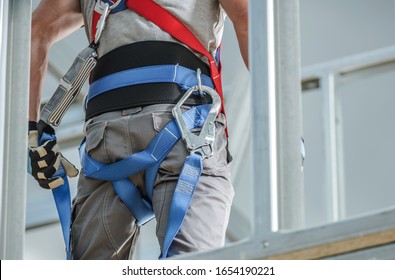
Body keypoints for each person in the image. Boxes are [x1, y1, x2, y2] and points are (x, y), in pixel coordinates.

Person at [28, 0, 248, 260]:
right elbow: (247, 17)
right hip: (184, 125)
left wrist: (33, 132)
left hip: (105, 136)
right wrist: (278, 118)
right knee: (194, 264)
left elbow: (35, 32)